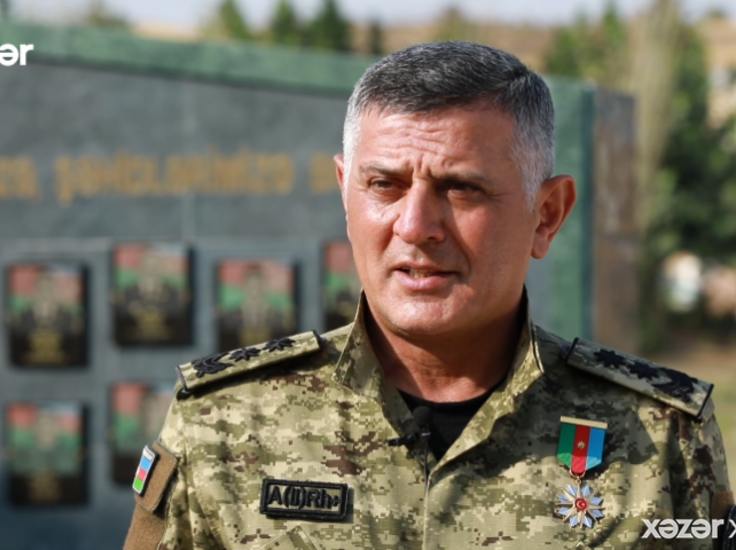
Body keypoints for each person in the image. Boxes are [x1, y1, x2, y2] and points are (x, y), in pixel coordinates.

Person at [124, 42, 732, 549]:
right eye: (384, 185)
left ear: (546, 214)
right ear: (345, 193)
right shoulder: (220, 424)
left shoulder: (661, 436)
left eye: (462, 189)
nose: (415, 226)